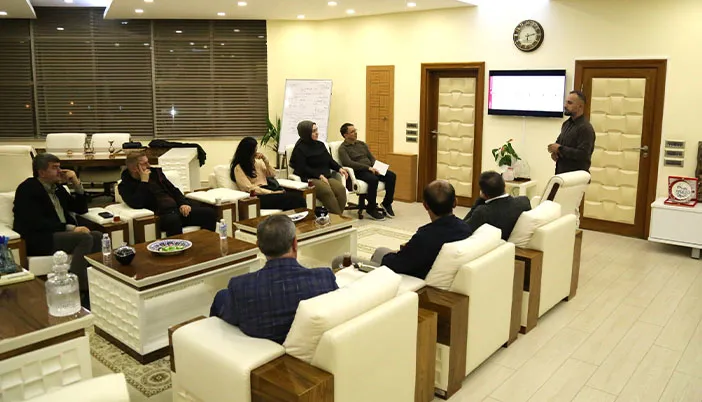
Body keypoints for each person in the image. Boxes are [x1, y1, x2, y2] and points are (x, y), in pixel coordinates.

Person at [210, 214, 339, 344]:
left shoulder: (240, 287)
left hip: (256, 351)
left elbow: (229, 317)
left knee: (221, 296)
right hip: (311, 349)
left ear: (259, 247)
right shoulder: (324, 278)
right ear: (295, 243)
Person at [332, 180, 472, 280]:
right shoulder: (465, 228)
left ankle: (368, 282)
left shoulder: (425, 236)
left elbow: (397, 264)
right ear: (455, 202)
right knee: (380, 250)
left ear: (425, 205)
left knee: (339, 260)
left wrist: (395, 255)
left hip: (406, 277)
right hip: (420, 264)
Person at [13, 153, 101, 307]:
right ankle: (78, 291)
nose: (60, 171)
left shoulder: (58, 188)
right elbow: (36, 222)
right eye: (55, 168)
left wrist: (76, 183)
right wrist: (71, 228)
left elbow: (81, 208)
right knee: (84, 238)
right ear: (42, 172)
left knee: (97, 236)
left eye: (60, 167)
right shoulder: (27, 189)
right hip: (40, 238)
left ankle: (95, 283)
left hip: (60, 234)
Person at [119, 151, 217, 237]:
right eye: (144, 164)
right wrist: (144, 182)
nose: (149, 165)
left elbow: (174, 190)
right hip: (160, 216)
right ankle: (178, 250)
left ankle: (205, 245)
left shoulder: (155, 173)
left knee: (209, 213)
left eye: (148, 162)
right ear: (134, 168)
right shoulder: (125, 186)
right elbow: (136, 203)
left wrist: (183, 203)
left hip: (177, 210)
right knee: (173, 220)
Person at [338, 123, 397, 220]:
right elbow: (348, 163)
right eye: (352, 132)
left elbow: (371, 158)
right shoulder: (343, 148)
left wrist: (377, 167)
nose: (355, 133)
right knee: (373, 179)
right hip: (358, 171)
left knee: (391, 176)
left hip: (371, 168)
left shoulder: (362, 144)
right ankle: (371, 208)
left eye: (355, 130)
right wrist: (368, 168)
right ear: (345, 135)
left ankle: (386, 203)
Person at [230, 137, 306, 211]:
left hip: (269, 190)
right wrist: (271, 193)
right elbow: (249, 188)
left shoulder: (257, 163)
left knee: (298, 198)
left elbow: (273, 174)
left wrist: (265, 160)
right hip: (258, 196)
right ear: (248, 152)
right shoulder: (238, 168)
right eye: (254, 150)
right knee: (295, 200)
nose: (256, 152)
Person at [290, 120, 349, 215]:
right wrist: (319, 176)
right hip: (310, 178)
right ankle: (339, 218)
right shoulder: (300, 148)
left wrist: (339, 168)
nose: (317, 133)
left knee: (341, 189)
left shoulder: (320, 145)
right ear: (306, 133)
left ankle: (337, 217)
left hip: (326, 176)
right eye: (313, 131)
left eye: (316, 130)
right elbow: (302, 168)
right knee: (327, 191)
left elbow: (329, 160)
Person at [463, 171, 531, 240]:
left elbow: (463, 229)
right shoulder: (524, 201)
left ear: (483, 193)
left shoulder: (482, 212)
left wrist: (479, 201)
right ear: (504, 186)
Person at [548, 90, 596, 174]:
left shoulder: (585, 128)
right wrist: (555, 152)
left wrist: (560, 149)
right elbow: (559, 143)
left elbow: (583, 154)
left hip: (576, 177)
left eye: (569, 103)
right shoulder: (566, 124)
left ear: (580, 106)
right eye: (566, 102)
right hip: (562, 175)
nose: (565, 106)